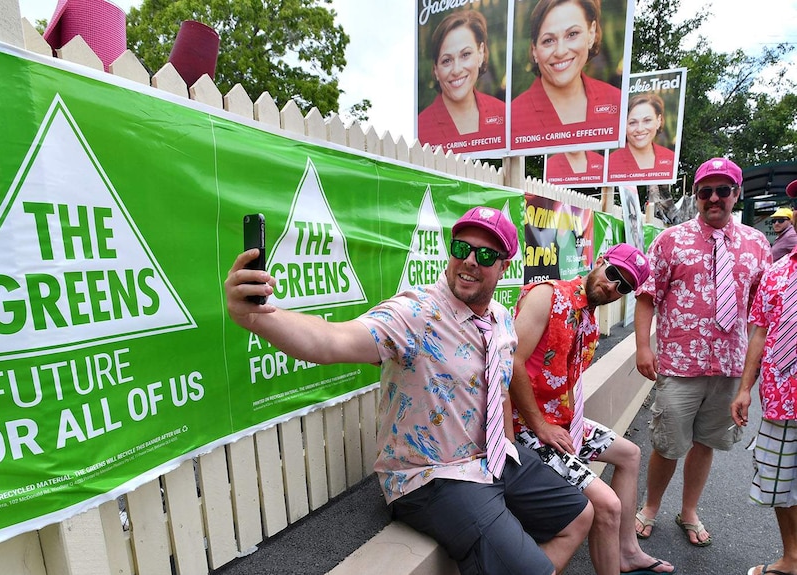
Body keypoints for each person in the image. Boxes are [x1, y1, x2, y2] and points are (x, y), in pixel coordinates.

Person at [225, 206, 594, 574]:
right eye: (460, 248)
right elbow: (331, 340)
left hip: (491, 458)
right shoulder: (415, 313)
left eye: (484, 255)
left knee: (581, 515)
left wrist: (509, 449)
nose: (468, 261)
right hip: (431, 476)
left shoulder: (499, 319)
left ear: (503, 267)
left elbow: (498, 392)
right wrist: (256, 317)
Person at [511, 244, 674, 575]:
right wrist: (541, 426)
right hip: (526, 428)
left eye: (624, 286)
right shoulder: (549, 295)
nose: (613, 286)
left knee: (629, 454)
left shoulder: (587, 317)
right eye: (613, 274)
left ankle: (627, 550)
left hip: (562, 422)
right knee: (608, 505)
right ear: (599, 262)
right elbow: (509, 363)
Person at [634, 158, 772, 546]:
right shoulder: (670, 240)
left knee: (706, 442)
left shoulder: (757, 244)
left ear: (736, 194)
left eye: (723, 190)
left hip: (729, 365)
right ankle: (650, 508)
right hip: (679, 364)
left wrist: (754, 373)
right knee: (666, 443)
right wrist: (643, 347)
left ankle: (689, 511)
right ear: (696, 196)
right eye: (705, 191)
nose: (714, 198)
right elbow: (647, 295)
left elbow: (763, 310)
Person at [731, 238, 797, 575]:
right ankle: (792, 560)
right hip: (780, 401)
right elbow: (759, 332)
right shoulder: (777, 271)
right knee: (780, 484)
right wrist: (745, 389)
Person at [510, 0, 621, 149]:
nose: (561, 51)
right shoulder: (513, 118)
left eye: (572, 34)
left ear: (591, 33)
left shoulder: (617, 101)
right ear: (534, 50)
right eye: (548, 40)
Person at [417, 11, 506, 154]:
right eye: (446, 61)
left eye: (465, 55)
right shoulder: (419, 129)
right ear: (435, 70)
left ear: (481, 53)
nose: (457, 70)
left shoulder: (504, 114)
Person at [607, 94, 675, 180]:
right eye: (632, 123)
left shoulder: (671, 158)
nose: (640, 129)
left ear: (658, 121)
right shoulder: (610, 163)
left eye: (647, 120)